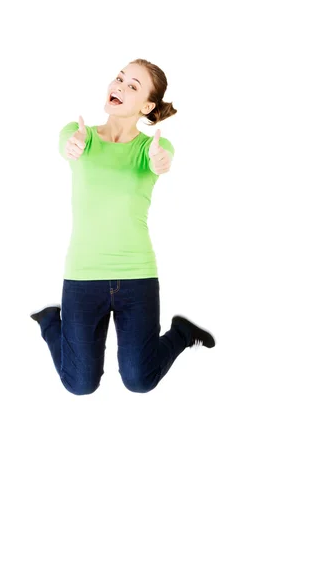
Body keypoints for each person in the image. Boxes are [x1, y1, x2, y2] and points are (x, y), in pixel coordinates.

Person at [30, 58, 215, 395]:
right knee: (79, 384)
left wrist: (162, 161)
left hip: (137, 276)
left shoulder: (152, 147)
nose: (120, 86)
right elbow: (66, 145)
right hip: (84, 276)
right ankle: (48, 321)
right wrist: (71, 146)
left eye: (133, 85)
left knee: (140, 380)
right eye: (119, 78)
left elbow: (163, 161)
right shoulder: (79, 134)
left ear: (147, 105)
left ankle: (182, 333)